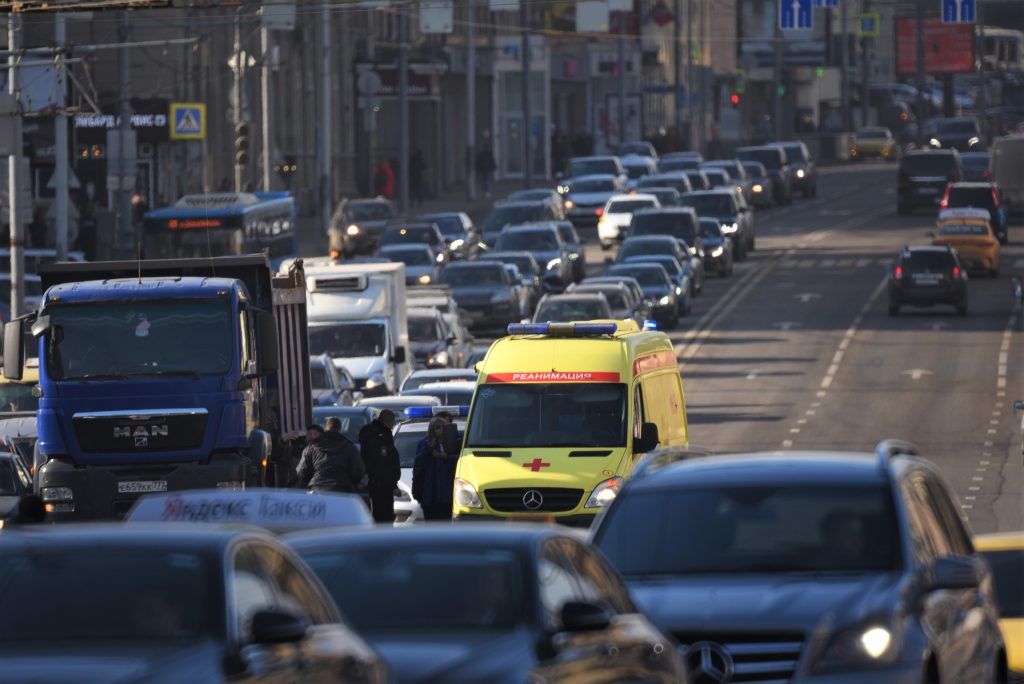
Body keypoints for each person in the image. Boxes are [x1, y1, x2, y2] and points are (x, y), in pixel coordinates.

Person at [296, 423, 365, 493]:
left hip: (317, 489)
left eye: (315, 434)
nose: (311, 436)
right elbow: (358, 471)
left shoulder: (311, 448)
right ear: (339, 430)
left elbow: (302, 472)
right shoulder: (349, 446)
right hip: (343, 490)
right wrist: (350, 482)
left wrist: (310, 481)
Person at [359, 409, 401, 523]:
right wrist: (393, 485)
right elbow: (383, 464)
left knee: (378, 517)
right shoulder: (380, 437)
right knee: (384, 518)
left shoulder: (373, 433)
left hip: (375, 483)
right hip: (382, 486)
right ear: (391, 422)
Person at [412, 417, 457, 521]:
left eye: (443, 427)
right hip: (431, 495)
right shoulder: (424, 443)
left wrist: (446, 457)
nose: (441, 430)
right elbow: (418, 464)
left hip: (447, 495)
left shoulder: (451, 442)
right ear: (432, 429)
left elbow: (458, 459)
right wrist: (428, 448)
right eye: (438, 428)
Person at [475, 132, 496, 198]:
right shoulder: (489, 154)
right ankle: (487, 191)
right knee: (487, 180)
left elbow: (479, 161)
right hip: (488, 168)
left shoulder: (481, 154)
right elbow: (492, 161)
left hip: (484, 168)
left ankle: (486, 190)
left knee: (485, 180)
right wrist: (494, 167)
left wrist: (478, 168)